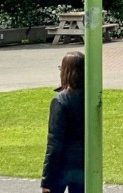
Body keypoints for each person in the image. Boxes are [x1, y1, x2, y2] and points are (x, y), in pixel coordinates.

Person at [41, 51, 85, 193]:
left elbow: (54, 143)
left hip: (62, 165)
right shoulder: (88, 97)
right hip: (83, 162)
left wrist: (46, 180)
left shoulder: (60, 101)